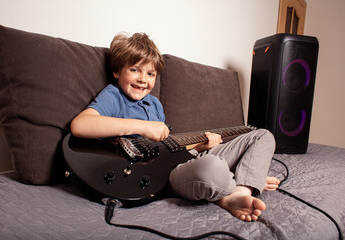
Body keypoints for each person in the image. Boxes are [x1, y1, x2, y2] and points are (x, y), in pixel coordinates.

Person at [70, 32, 280, 222]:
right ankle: (246, 180)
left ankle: (241, 190)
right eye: (135, 70)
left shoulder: (155, 105)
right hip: (164, 178)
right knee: (212, 167)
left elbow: (169, 153)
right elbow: (80, 125)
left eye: (150, 74)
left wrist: (199, 148)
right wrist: (142, 127)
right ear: (117, 71)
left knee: (262, 135)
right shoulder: (114, 96)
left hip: (181, 162)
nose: (142, 79)